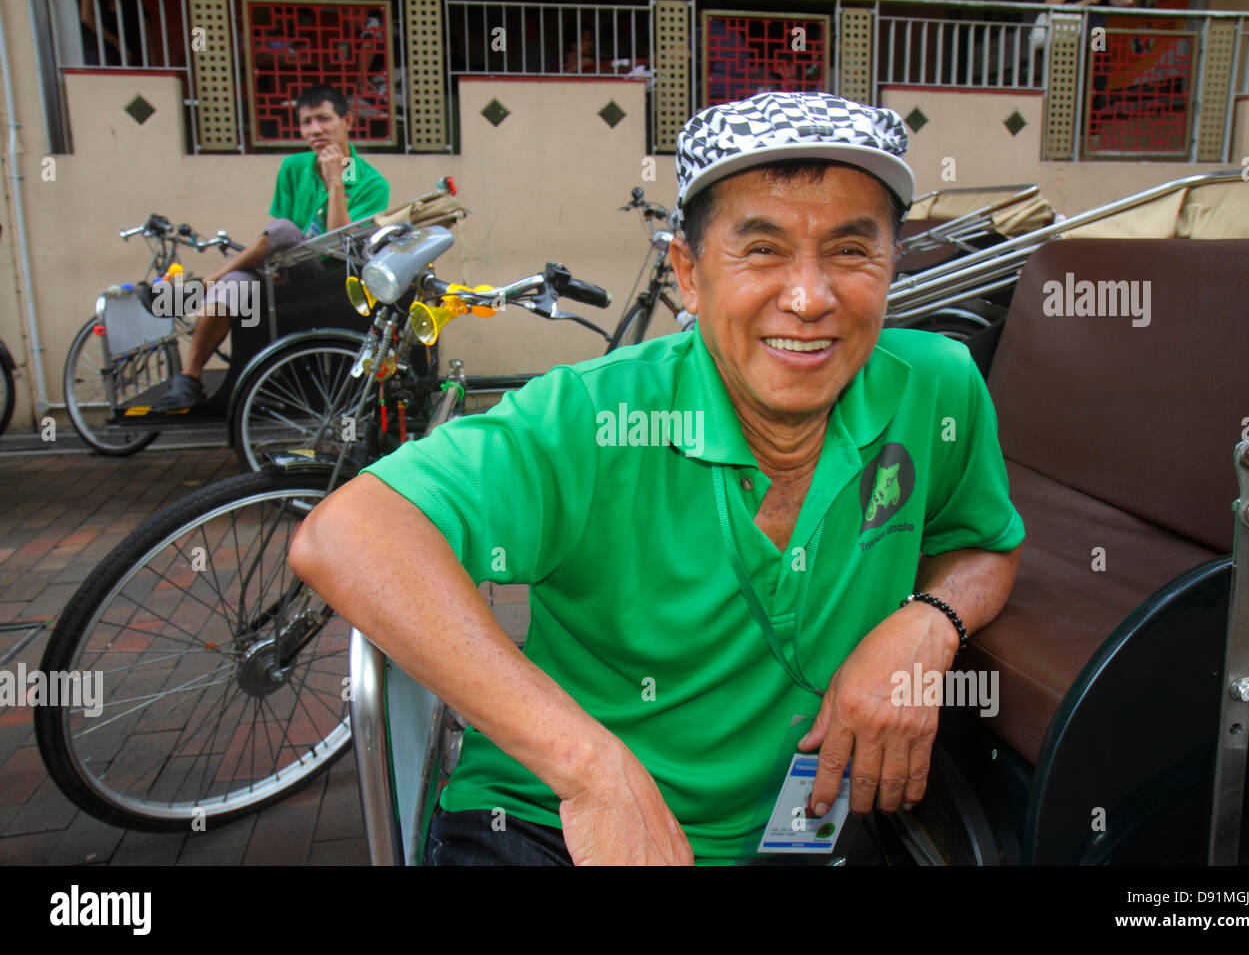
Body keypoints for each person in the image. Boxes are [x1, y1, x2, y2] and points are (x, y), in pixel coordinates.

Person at [290, 91, 1025, 865]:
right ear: (689, 271)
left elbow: (983, 545)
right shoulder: (595, 414)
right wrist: (592, 771)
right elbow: (348, 533)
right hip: (549, 823)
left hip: (801, 835)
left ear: (890, 264)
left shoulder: (936, 386)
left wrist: (928, 623)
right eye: (763, 249)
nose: (810, 299)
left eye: (850, 251)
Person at [152, 84, 389, 412]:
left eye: (323, 119)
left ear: (347, 120)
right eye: (306, 122)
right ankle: (189, 378)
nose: (314, 130)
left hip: (333, 278)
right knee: (234, 286)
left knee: (283, 229)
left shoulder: (371, 182)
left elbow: (341, 241)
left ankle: (204, 282)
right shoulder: (294, 168)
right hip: (287, 266)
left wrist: (336, 181)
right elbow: (276, 241)